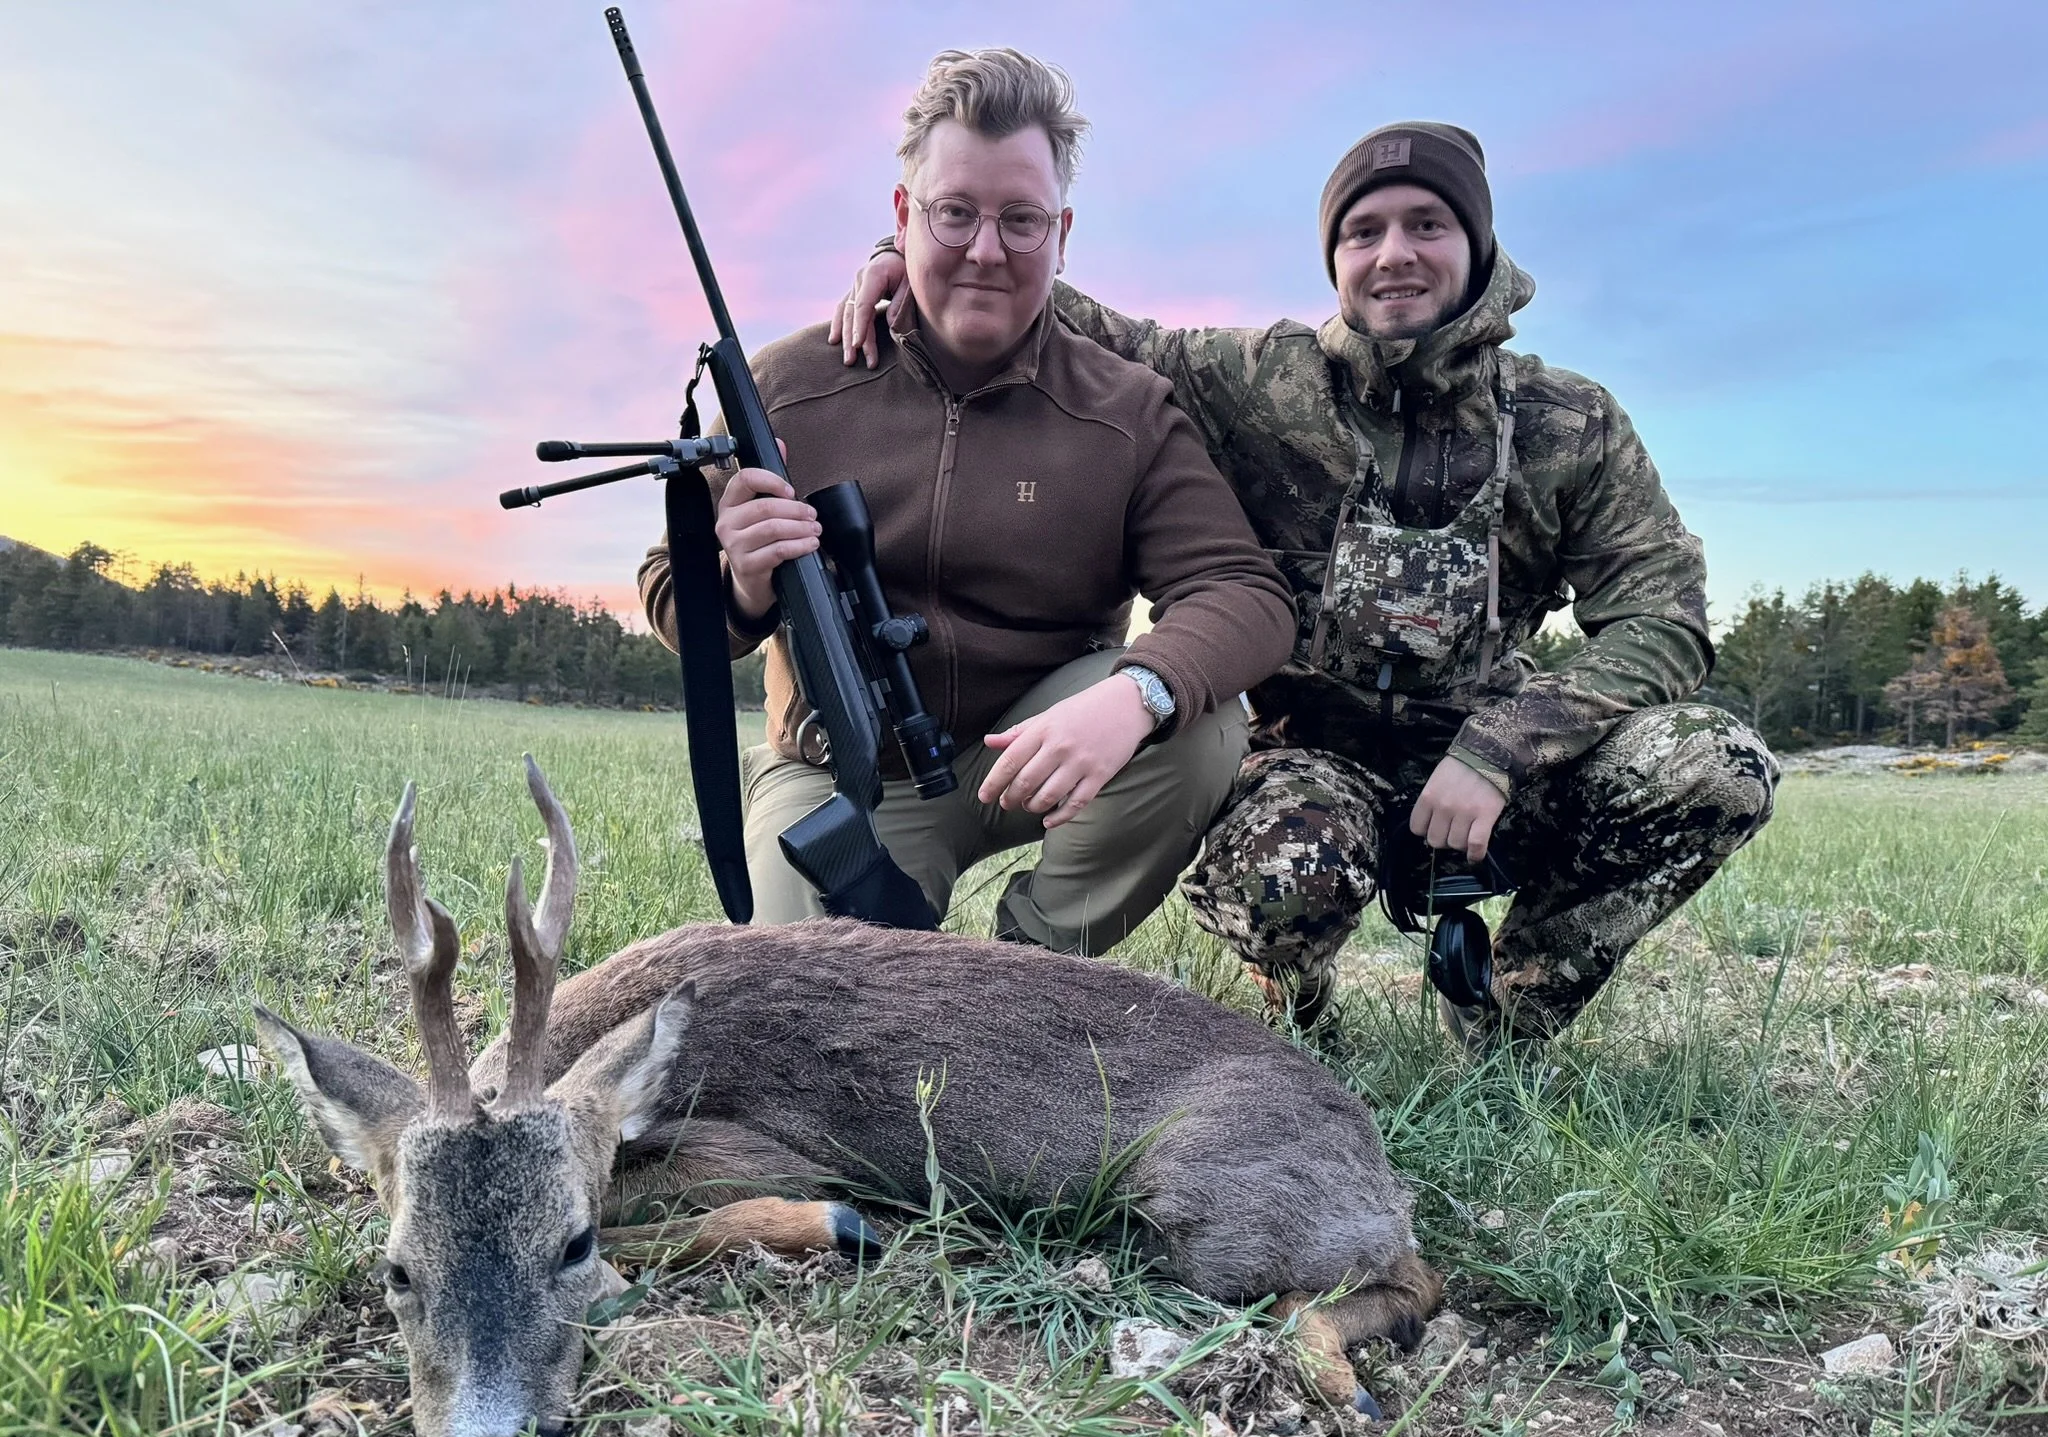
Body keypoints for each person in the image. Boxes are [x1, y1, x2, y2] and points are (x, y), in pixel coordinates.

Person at [836, 120, 1777, 1048]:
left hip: (1498, 775)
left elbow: (1665, 620)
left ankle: (1507, 1015)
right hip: (1308, 770)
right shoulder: (1253, 380)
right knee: (1284, 876)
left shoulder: (1571, 421)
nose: (1393, 255)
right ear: (1334, 256)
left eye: (1427, 226)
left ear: (1479, 245)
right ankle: (1297, 1003)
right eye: (1363, 232)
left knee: (1716, 765)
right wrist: (903, 251)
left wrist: (1503, 747)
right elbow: (1063, 307)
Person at [639, 48, 1293, 955]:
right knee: (807, 1013)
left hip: (1033, 756)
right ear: (905, 216)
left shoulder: (1127, 408)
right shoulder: (786, 385)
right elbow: (673, 598)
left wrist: (1135, 695)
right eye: (955, 214)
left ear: (1063, 233)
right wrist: (742, 584)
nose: (986, 251)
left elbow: (1245, 592)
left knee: (1197, 720)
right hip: (844, 776)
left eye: (1021, 220)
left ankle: (1027, 973)